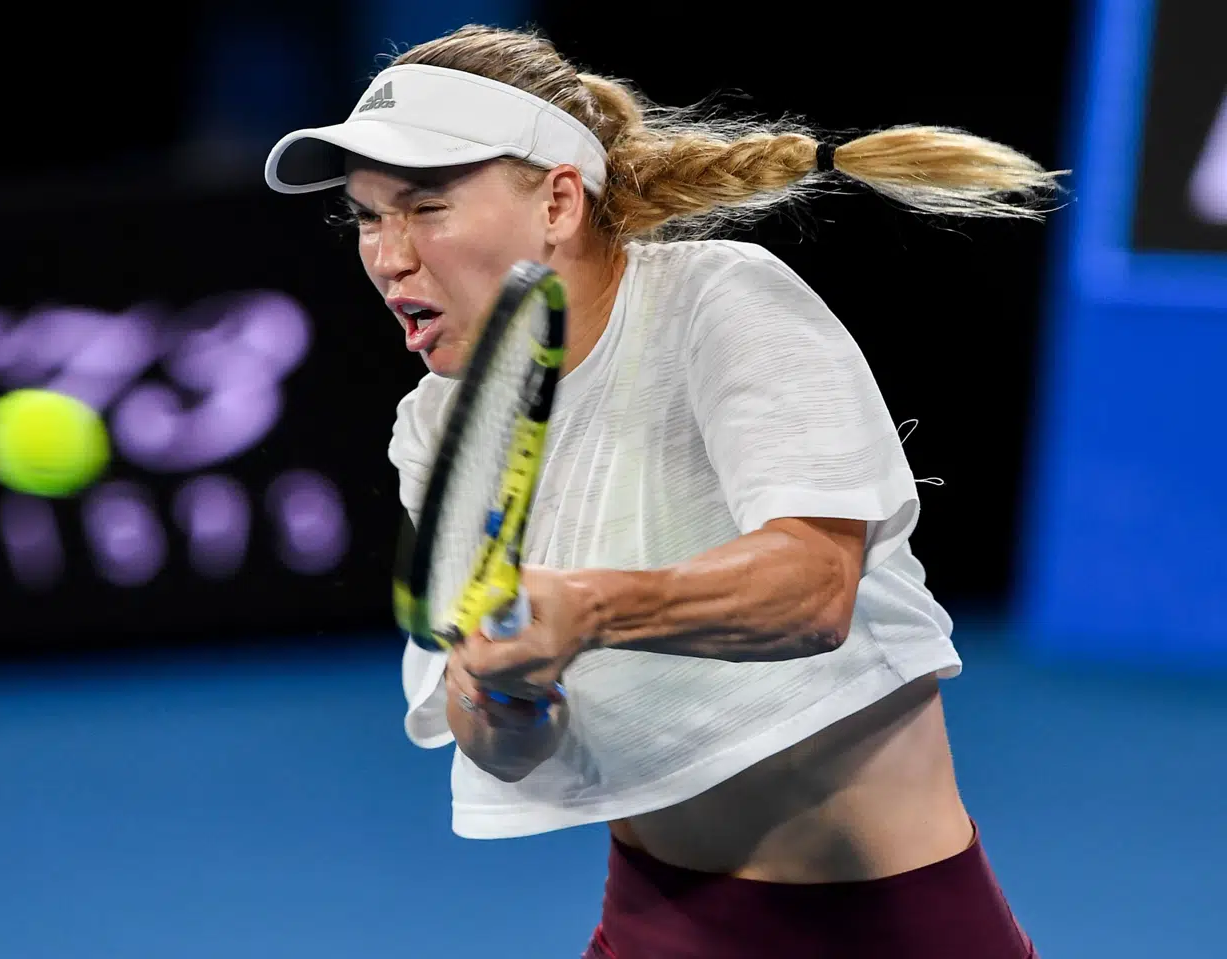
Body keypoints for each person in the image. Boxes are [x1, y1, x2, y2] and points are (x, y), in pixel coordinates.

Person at [266, 24, 1059, 959]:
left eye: (426, 206)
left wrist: (587, 608)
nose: (388, 256)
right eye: (366, 217)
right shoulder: (438, 423)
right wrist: (502, 690)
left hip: (889, 931)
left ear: (559, 201)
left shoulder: (720, 301)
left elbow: (814, 587)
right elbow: (502, 747)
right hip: (653, 927)